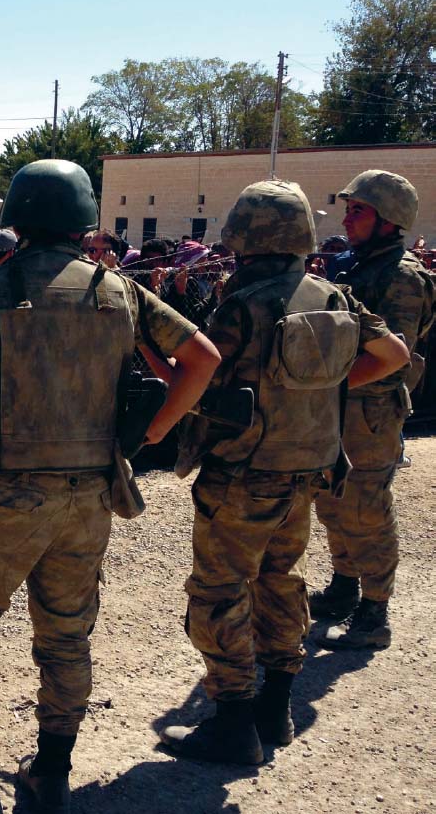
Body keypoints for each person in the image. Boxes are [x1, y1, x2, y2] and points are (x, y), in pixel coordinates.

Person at [0, 160, 219, 814]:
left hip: (6, 495)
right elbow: (201, 359)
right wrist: (152, 431)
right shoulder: (117, 290)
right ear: (81, 217)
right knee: (66, 634)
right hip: (89, 493)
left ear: (18, 215)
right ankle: (52, 776)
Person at [155, 181, 408, 766]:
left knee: (219, 592)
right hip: (309, 469)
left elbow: (197, 376)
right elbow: (393, 356)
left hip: (243, 475)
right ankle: (276, 707)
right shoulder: (335, 297)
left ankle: (234, 723)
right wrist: (328, 386)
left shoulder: (245, 304)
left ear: (247, 237)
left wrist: (154, 360)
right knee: (281, 581)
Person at [311, 170, 435, 650]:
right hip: (342, 404)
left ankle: (374, 610)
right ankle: (344, 586)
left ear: (388, 220)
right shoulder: (358, 266)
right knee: (332, 500)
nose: (347, 217)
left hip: (372, 411)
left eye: (358, 210)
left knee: (367, 507)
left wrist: (329, 387)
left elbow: (394, 356)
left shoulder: (401, 276)